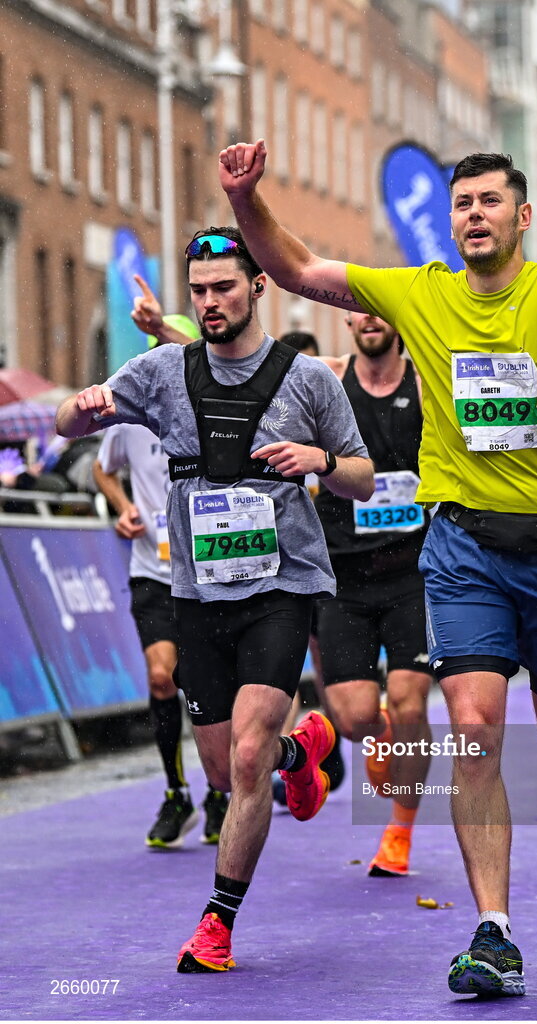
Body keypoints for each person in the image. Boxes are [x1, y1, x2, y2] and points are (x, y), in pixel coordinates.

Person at [218, 122, 537, 996]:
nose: (473, 214)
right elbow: (300, 270)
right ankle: (492, 932)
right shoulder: (416, 293)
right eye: (461, 204)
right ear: (449, 224)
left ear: (523, 216)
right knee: (477, 733)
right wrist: (241, 200)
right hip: (462, 552)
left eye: (490, 200)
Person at [56, 226, 374, 974]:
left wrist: (319, 460)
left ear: (257, 286)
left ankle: (217, 923)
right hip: (195, 591)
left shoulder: (308, 381)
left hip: (282, 585)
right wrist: (85, 403)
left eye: (223, 287)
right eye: (198, 291)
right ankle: (308, 750)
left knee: (250, 747)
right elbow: (73, 424)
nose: (209, 302)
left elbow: (360, 477)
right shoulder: (162, 371)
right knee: (229, 771)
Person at [93, 302, 229, 848]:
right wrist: (121, 505)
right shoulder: (130, 419)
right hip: (152, 567)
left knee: (207, 685)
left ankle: (220, 793)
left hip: (212, 571)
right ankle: (176, 793)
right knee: (159, 677)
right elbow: (104, 469)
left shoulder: (213, 410)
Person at [314, 310, 433, 877]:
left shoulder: (426, 381)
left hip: (415, 574)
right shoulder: (329, 377)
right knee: (357, 718)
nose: (368, 320)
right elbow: (246, 362)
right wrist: (171, 335)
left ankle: (400, 831)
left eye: (378, 310)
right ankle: (381, 732)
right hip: (344, 574)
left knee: (412, 700)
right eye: (357, 312)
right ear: (346, 323)